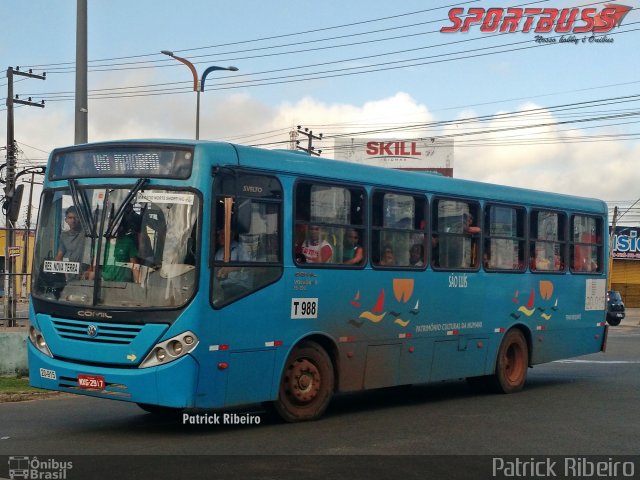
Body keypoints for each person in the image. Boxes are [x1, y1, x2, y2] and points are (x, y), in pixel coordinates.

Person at [99, 217, 140, 283]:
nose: (114, 227)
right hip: (104, 286)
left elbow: (134, 266)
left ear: (121, 227)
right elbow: (94, 267)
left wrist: (139, 285)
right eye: (112, 224)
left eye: (117, 224)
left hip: (123, 286)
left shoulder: (128, 242)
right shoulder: (102, 243)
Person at [55, 206, 87, 279]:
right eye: (70, 218)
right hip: (68, 275)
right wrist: (64, 271)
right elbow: (59, 256)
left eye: (75, 217)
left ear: (80, 219)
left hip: (82, 275)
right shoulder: (64, 236)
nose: (73, 220)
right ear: (66, 220)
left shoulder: (86, 234)